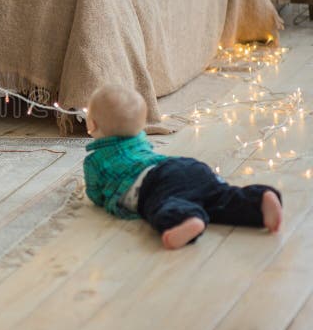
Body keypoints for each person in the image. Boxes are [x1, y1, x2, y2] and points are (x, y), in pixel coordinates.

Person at [83, 84, 283, 250]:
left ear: (91, 124)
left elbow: (96, 196)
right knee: (219, 195)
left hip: (155, 183)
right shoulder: (140, 140)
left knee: (163, 205)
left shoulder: (94, 161)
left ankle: (185, 219)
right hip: (184, 166)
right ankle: (258, 201)